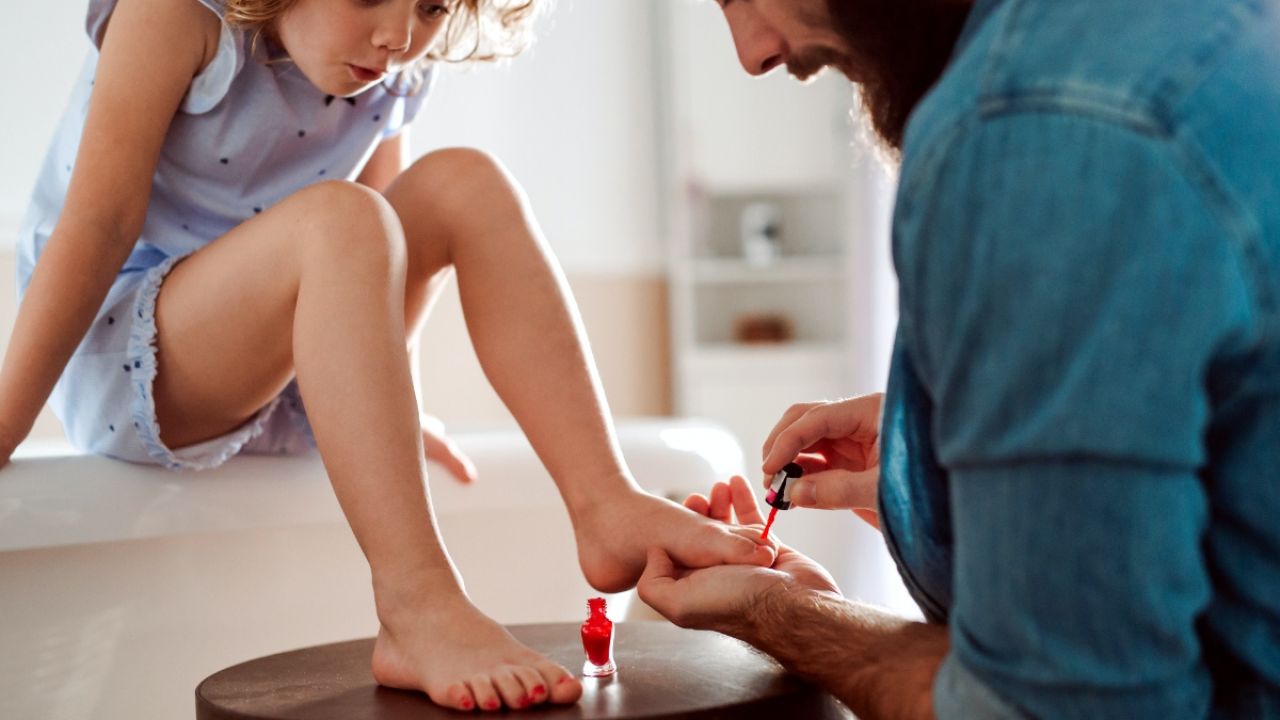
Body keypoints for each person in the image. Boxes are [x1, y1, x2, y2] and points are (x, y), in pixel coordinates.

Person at [0, 0, 776, 712]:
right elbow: (97, 226)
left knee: (462, 182)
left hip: (284, 364)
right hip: (133, 356)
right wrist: (6, 424)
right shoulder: (178, 15)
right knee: (344, 218)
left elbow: (383, 262)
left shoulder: (389, 66)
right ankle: (416, 599)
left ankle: (603, 497)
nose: (399, 35)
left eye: (433, 6)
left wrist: (396, 413)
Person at [639, 0, 1280, 718]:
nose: (751, 53)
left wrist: (782, 616)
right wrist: (959, 462)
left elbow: (1052, 708)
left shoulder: (1031, 129)